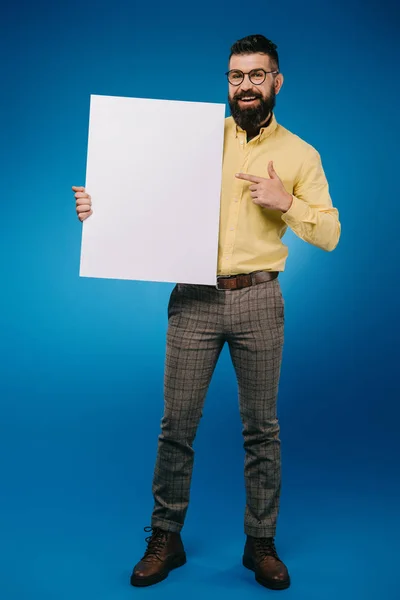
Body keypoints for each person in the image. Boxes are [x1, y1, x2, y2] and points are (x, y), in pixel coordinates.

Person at [72, 34, 340, 591]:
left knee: (261, 429)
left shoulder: (300, 154)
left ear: (276, 81)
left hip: (260, 299)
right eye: (236, 76)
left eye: (257, 75)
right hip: (193, 299)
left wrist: (285, 202)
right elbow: (142, 191)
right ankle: (167, 538)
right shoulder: (193, 141)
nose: (246, 85)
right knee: (177, 426)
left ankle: (260, 544)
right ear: (228, 82)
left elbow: (332, 232)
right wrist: (100, 208)